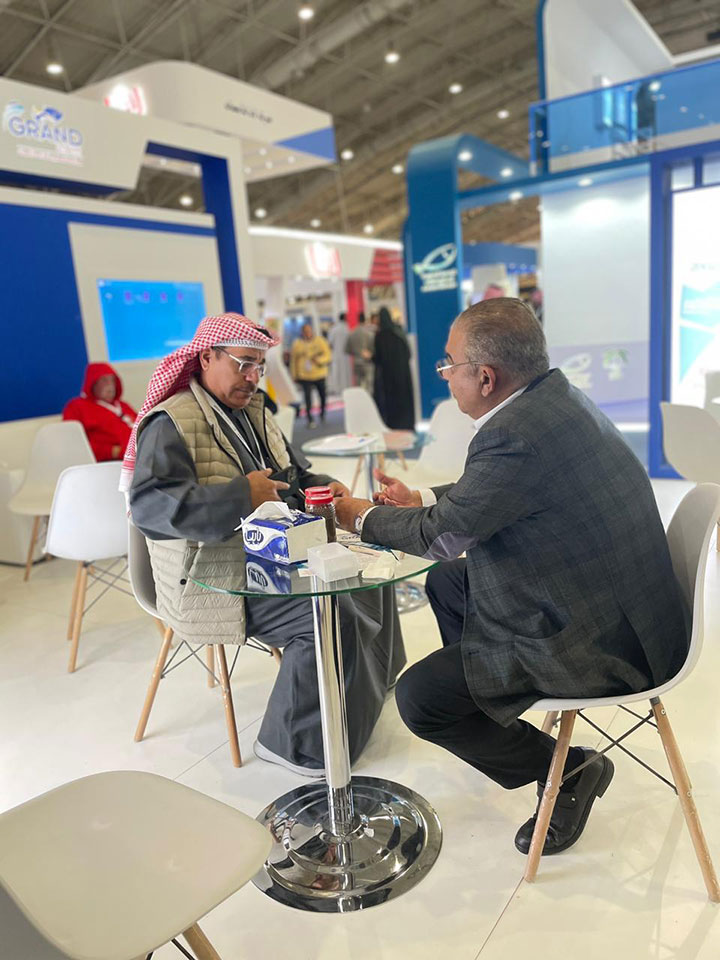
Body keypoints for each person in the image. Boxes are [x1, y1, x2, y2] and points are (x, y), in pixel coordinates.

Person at [333, 297, 689, 856]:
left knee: (421, 699)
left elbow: (443, 538)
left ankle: (567, 770)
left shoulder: (512, 434)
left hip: (604, 640)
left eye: (449, 364)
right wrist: (420, 498)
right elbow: (495, 492)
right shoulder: (554, 399)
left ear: (486, 376)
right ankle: (489, 700)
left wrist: (357, 516)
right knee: (446, 582)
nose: (445, 375)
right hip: (623, 606)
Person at [124, 312, 404, 777]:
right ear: (207, 357)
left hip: (277, 551)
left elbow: (291, 476)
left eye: (259, 366)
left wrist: (323, 486)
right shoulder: (172, 421)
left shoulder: (255, 411)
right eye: (243, 364)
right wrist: (240, 496)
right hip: (212, 577)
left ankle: (368, 690)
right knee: (327, 612)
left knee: (371, 568)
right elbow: (150, 509)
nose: (253, 378)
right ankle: (293, 744)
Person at [63, 362, 137, 461]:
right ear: (93, 383)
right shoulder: (77, 407)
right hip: (108, 462)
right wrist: (114, 451)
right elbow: (73, 443)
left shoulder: (124, 406)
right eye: (104, 380)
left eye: (113, 380)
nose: (110, 385)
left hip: (138, 456)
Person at [372, 307, 415, 430]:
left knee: (392, 403)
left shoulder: (380, 336)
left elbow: (378, 358)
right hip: (403, 374)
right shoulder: (399, 332)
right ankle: (408, 424)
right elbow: (409, 354)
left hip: (388, 378)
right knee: (405, 400)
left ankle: (394, 426)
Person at [290, 322, 331, 428]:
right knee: (307, 397)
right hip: (304, 375)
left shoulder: (320, 341)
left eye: (309, 331)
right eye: (305, 331)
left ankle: (322, 413)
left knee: (322, 395)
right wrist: (294, 375)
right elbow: (293, 360)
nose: (307, 333)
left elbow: (327, 355)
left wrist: (319, 360)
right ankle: (309, 418)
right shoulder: (297, 344)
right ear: (302, 332)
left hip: (319, 374)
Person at [345, 312, 375, 392]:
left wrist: (356, 352)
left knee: (358, 385)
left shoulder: (352, 333)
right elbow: (373, 349)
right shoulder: (369, 334)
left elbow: (347, 350)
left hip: (356, 362)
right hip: (367, 363)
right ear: (365, 320)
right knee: (369, 385)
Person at [327, 312, 353, 395]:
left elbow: (329, 344)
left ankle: (338, 390)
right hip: (346, 355)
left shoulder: (334, 329)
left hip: (336, 355)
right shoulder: (348, 328)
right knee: (346, 373)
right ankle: (347, 389)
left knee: (337, 373)